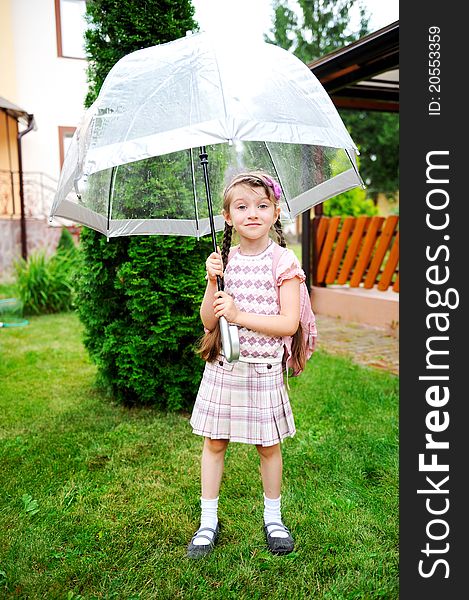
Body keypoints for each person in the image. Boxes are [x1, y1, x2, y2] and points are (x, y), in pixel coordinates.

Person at [187, 171, 307, 559]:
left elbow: (288, 323)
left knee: (268, 446)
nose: (252, 214)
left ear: (274, 213)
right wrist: (212, 281)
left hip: (263, 369)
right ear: (227, 217)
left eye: (261, 206)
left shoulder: (283, 261)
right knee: (214, 442)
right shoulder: (225, 262)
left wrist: (238, 315)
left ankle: (273, 517)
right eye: (242, 207)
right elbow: (209, 321)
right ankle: (208, 521)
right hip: (225, 367)